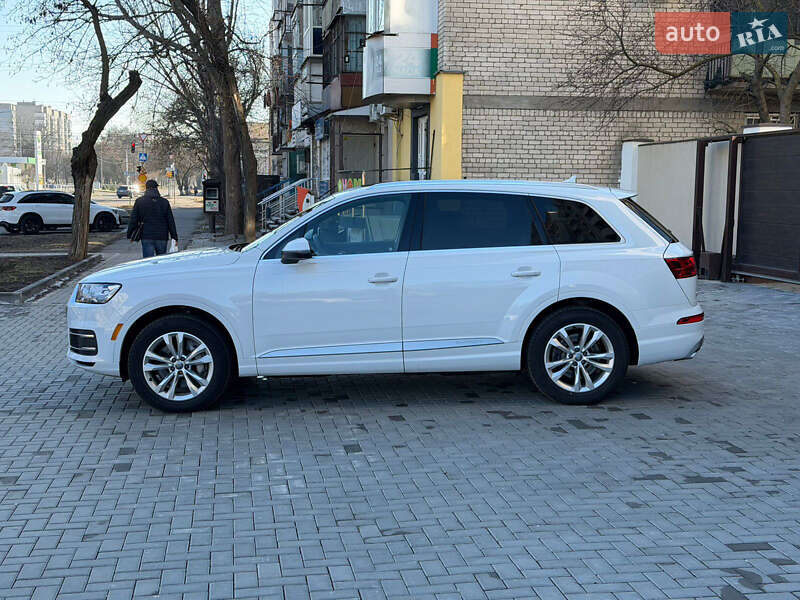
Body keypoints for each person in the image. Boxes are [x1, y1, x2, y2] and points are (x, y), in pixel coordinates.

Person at [127, 179, 179, 258]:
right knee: (161, 260)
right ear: (156, 188)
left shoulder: (140, 202)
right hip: (162, 236)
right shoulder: (164, 202)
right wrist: (174, 237)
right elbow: (170, 221)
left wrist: (130, 234)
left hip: (146, 235)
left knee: (148, 261)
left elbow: (133, 219)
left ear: (146, 188)